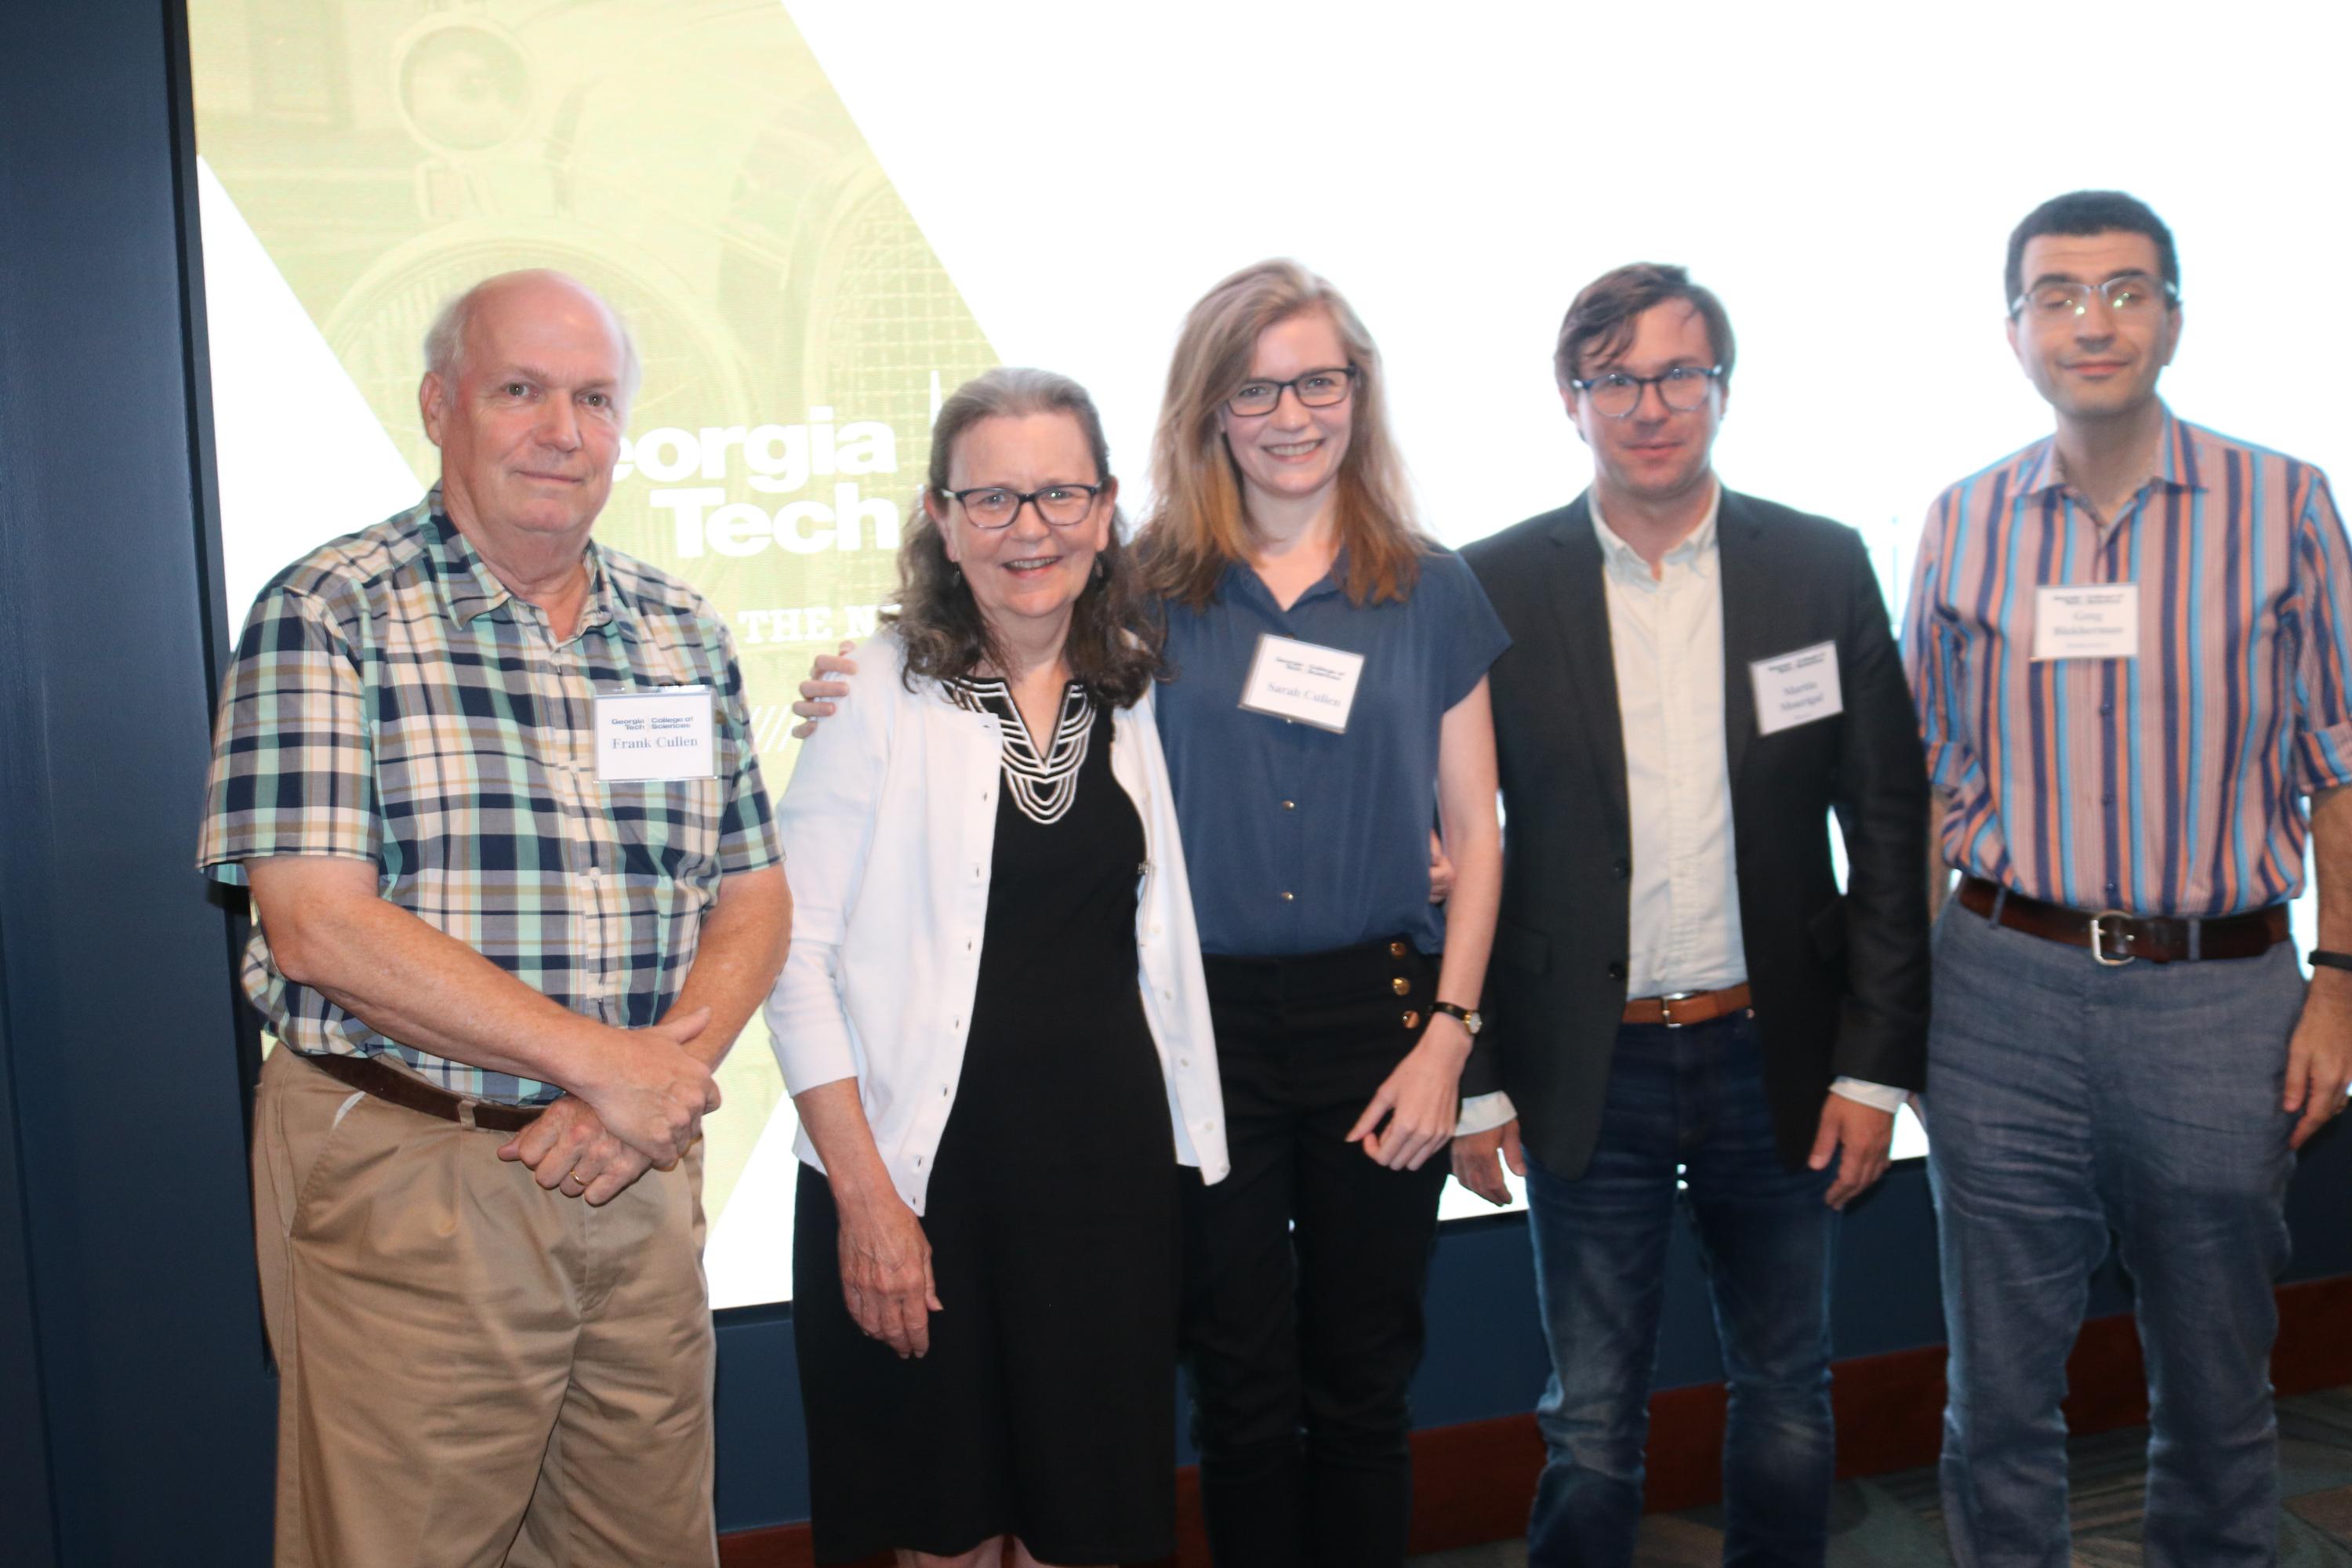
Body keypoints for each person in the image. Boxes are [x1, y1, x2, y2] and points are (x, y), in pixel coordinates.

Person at [794, 260, 1508, 1568]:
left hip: (1352, 1031)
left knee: (1361, 1384)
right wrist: (855, 678)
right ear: (1208, 410)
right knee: (1236, 1388)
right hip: (1196, 1042)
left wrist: (1456, 1033)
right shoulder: (1150, 598)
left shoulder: (1421, 589)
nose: (1291, 414)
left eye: (1318, 381)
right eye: (1256, 389)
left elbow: (1475, 832)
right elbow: (979, 659)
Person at [196, 269, 790, 1566]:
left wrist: (645, 1084)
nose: (562, 431)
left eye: (595, 399)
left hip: (635, 1175)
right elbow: (319, 927)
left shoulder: (679, 631)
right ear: (438, 406)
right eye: (521, 390)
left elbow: (752, 892)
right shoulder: (328, 612)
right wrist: (605, 1066)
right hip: (420, 1171)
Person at [1904, 190, 2352, 1568]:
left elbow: (2341, 770)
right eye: (2057, 295)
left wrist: (2341, 984)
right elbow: (1922, 784)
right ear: (2015, 331)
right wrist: (1901, 1011)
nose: (2091, 322)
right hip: (1999, 995)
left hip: (2219, 1000)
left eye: (2124, 291)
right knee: (1997, 1395)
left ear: (2172, 319)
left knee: (2218, 1388)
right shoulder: (1963, 521)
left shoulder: (2285, 505)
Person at [1455, 262, 1929, 1566]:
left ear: (1723, 389)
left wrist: (1873, 1066)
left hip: (1775, 1049)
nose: (1650, 406)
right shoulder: (1494, 583)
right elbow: (1451, 849)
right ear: (1570, 399)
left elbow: (1888, 829)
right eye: (1615, 379)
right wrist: (1475, 1076)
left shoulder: (1819, 566)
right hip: (1585, 1061)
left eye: (1678, 374)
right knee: (1591, 1419)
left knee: (1788, 1394)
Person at [764, 367, 1227, 1568]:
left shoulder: (1141, 685)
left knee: (1089, 1521)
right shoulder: (875, 691)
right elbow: (791, 956)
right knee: (946, 1532)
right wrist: (868, 1200)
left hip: (1105, 1185)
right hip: (920, 1182)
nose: (1031, 528)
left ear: (1106, 509)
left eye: (1060, 494)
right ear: (943, 517)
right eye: (994, 499)